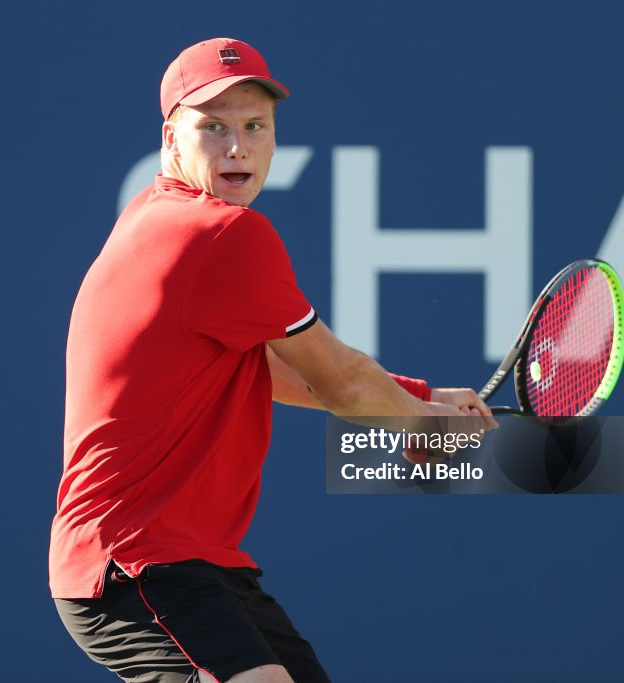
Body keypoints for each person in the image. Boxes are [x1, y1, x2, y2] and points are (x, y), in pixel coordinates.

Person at [50, 37, 497, 683]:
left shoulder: (156, 214)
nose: (238, 147)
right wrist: (424, 425)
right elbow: (341, 383)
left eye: (255, 126)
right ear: (170, 137)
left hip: (197, 564)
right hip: (134, 563)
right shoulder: (221, 234)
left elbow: (276, 369)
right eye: (213, 127)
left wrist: (419, 398)